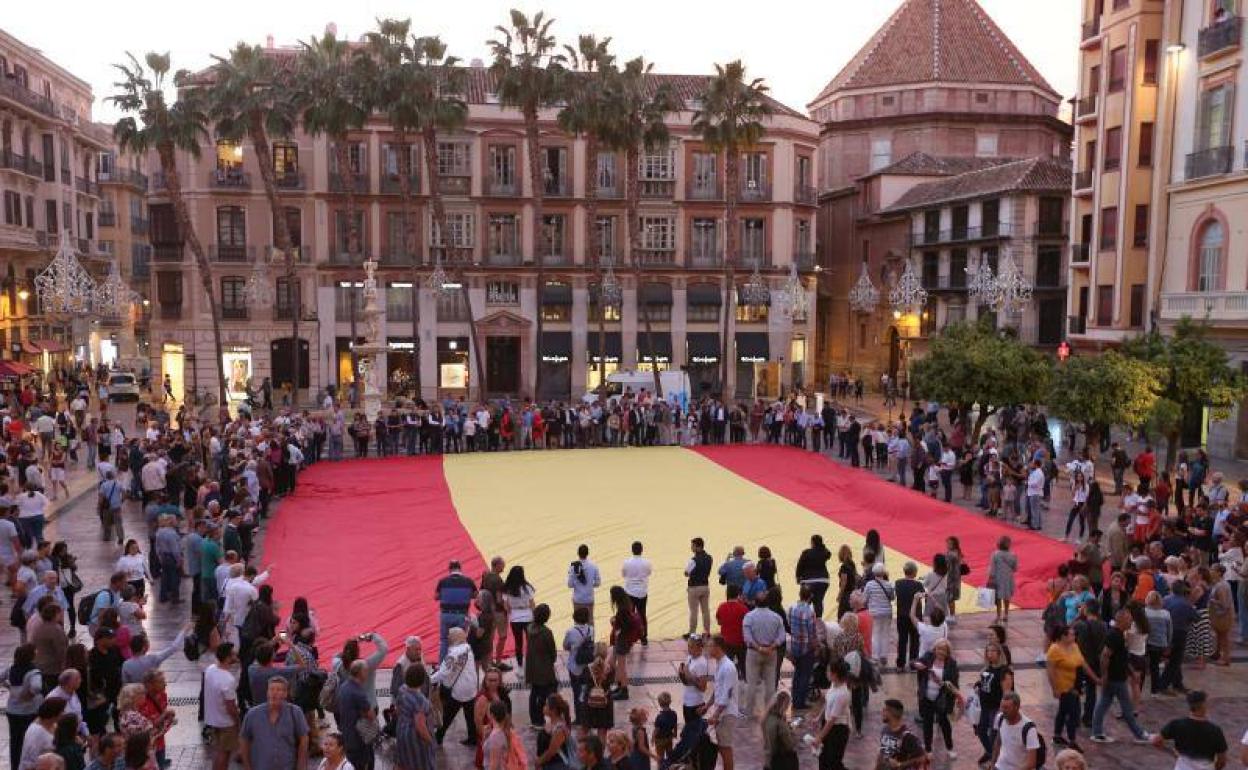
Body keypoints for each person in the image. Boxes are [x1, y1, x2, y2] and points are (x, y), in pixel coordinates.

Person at [1091, 608, 1154, 745]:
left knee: (1103, 703)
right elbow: (1105, 656)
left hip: (1117, 676)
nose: (1131, 622)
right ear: (1121, 620)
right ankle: (1139, 734)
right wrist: (1105, 675)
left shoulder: (1120, 634)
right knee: (1126, 707)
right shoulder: (1115, 635)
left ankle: (1097, 732)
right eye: (1129, 619)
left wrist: (1131, 672)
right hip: (1115, 678)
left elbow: (1122, 658)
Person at [1046, 623, 1098, 753]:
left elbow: (1082, 663)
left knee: (1063, 711)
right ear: (1063, 636)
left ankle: (1057, 735)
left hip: (1074, 684)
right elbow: (1050, 671)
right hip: (1064, 687)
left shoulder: (1074, 646)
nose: (1074, 636)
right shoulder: (1054, 650)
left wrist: (1095, 678)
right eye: (1072, 634)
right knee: (1073, 713)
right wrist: (1055, 688)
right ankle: (1072, 740)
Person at [239, 677, 309, 770]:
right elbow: (244, 740)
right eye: (271, 689)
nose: (274, 693)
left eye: (278, 690)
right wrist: (247, 767)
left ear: (285, 694)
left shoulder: (295, 712)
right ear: (267, 692)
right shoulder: (253, 714)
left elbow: (304, 740)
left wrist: (301, 766)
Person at [1151, 690, 1227, 770]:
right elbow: (1222, 760)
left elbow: (1156, 741)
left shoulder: (1176, 724)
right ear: (1203, 705)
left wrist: (1173, 752)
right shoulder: (1215, 730)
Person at [742, 587, 785, 719]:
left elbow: (747, 638)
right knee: (770, 684)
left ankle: (749, 712)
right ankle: (769, 712)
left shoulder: (749, 617)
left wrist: (759, 648)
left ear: (755, 602)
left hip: (754, 653)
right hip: (771, 652)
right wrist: (772, 646)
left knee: (751, 684)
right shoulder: (776, 617)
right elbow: (782, 636)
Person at [431, 627, 477, 746]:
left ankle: (439, 736)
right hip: (471, 686)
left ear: (456, 638)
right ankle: (473, 737)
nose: (448, 638)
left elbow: (443, 673)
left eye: (450, 635)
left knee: (448, 714)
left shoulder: (454, 653)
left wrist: (428, 680)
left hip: (460, 690)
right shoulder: (467, 648)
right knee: (469, 714)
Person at [912, 638, 958, 760]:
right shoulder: (928, 656)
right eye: (938, 649)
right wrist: (917, 664)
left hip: (942, 698)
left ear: (948, 651)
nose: (940, 652)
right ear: (935, 649)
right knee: (927, 723)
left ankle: (950, 748)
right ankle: (928, 749)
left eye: (943, 649)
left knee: (944, 724)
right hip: (927, 696)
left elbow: (954, 684)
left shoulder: (951, 663)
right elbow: (913, 662)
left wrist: (941, 682)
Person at [705, 635, 742, 770]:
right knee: (721, 746)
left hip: (727, 714)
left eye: (710, 646)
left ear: (717, 647)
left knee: (725, 748)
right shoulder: (720, 664)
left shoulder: (728, 667)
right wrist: (708, 705)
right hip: (722, 713)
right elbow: (717, 689)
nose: (708, 649)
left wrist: (715, 715)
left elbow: (726, 694)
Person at [333, 660, 376, 769]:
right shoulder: (358, 692)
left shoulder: (344, 686)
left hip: (348, 735)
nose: (368, 673)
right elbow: (370, 715)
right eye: (366, 670)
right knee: (363, 764)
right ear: (360, 673)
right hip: (359, 738)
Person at [392, 665, 435, 770]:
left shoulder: (402, 690)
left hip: (401, 730)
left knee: (403, 761)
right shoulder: (421, 701)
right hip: (414, 738)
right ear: (422, 680)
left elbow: (397, 711)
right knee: (418, 763)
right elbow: (420, 726)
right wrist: (430, 741)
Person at [204, 644, 239, 770]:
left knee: (218, 751)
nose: (236, 655)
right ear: (228, 658)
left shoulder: (211, 669)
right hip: (226, 722)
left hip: (213, 718)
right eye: (233, 654)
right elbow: (230, 706)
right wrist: (237, 721)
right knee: (224, 753)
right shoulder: (228, 679)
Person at [434, 560, 477, 662]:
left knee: (444, 640)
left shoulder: (442, 581)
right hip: (461, 616)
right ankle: (458, 664)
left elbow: (436, 597)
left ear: (450, 569)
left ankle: (442, 665)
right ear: (460, 568)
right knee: (459, 641)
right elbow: (476, 595)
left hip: (446, 615)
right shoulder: (468, 581)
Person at [525, 604, 559, 727]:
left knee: (534, 693)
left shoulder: (529, 628)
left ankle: (535, 719)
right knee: (545, 694)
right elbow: (552, 651)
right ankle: (540, 719)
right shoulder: (546, 632)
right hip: (544, 667)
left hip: (532, 667)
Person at [991, 692, 1041, 770]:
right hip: (1000, 766)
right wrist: (992, 764)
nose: (1003, 710)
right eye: (1002, 707)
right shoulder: (1000, 718)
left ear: (1016, 707)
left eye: (1006, 708)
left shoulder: (1029, 729)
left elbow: (1031, 763)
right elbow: (997, 743)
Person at [875, 698, 926, 770]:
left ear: (892, 713)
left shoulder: (907, 736)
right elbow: (882, 753)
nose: (882, 712)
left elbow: (921, 758)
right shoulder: (885, 730)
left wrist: (900, 764)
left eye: (885, 710)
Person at [18, 696, 66, 770]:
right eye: (62, 711)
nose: (64, 713)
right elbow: (29, 761)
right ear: (54, 713)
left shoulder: (53, 724)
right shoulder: (35, 732)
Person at [503, 566, 535, 668]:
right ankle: (531, 662)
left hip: (515, 617)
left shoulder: (507, 588)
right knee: (530, 641)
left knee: (518, 642)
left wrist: (510, 613)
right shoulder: (527, 587)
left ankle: (520, 663)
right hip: (528, 616)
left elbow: (506, 606)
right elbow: (532, 604)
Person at [621, 541, 651, 645]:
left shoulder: (627, 562)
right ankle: (644, 637)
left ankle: (629, 637)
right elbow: (649, 573)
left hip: (630, 592)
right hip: (642, 591)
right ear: (641, 550)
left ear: (632, 550)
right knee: (642, 614)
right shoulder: (647, 562)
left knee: (629, 615)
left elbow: (623, 574)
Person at [796, 534, 832, 617]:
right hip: (823, 581)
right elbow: (829, 553)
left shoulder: (806, 552)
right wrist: (822, 546)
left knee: (805, 602)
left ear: (812, 542)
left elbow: (800, 565)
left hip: (808, 581)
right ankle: (819, 621)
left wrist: (798, 577)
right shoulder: (823, 552)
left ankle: (803, 619)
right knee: (819, 601)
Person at [762, 691, 799, 770]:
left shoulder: (766, 718)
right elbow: (790, 745)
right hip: (781, 762)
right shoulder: (780, 724)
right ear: (784, 705)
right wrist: (792, 733)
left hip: (768, 760)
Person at [684, 537, 713, 637]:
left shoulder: (693, 560)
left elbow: (686, 573)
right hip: (705, 586)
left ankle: (692, 632)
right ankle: (707, 631)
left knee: (694, 611)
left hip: (694, 587)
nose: (691, 548)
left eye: (693, 546)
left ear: (698, 547)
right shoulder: (709, 557)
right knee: (706, 610)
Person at [567, 544, 601, 625]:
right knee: (590, 621)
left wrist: (577, 583)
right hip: (589, 599)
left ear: (578, 553)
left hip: (578, 599)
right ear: (588, 553)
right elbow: (598, 583)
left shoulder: (573, 567)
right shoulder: (594, 566)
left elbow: (570, 584)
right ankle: (591, 637)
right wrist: (589, 585)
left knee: (577, 623)